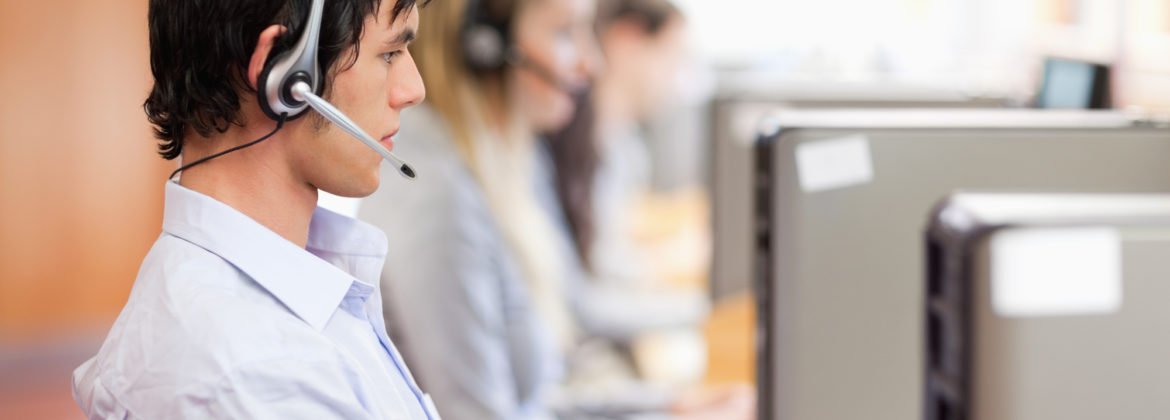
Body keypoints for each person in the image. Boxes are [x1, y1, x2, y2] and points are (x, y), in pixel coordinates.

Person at [72, 0, 432, 418]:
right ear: (283, 72)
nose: (414, 89)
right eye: (389, 53)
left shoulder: (280, 313)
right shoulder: (257, 379)